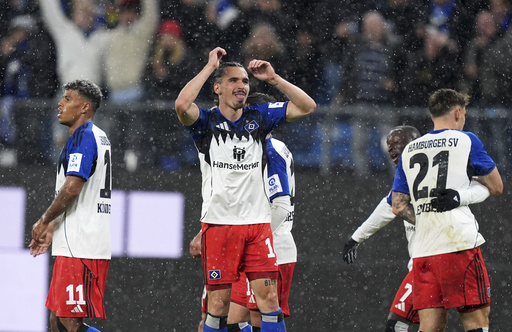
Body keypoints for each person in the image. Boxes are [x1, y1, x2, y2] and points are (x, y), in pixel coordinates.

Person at [175, 46, 316, 332]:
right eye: (233, 81)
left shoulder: (259, 117)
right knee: (217, 306)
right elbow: (181, 106)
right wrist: (208, 67)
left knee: (269, 299)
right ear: (217, 87)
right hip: (219, 224)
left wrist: (274, 80)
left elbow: (307, 106)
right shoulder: (206, 124)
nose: (241, 86)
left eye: (245, 81)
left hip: (257, 226)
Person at [391, 88, 503, 332]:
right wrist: (462, 195)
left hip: (423, 251)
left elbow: (397, 205)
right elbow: (497, 186)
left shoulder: (410, 150)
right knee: (476, 322)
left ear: (432, 116)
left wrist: (425, 216)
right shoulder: (467, 140)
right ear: (458, 112)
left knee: (430, 327)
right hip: (458, 245)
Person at [29, 79, 112, 332]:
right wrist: (54, 225)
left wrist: (44, 219)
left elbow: (73, 188)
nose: (60, 103)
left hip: (82, 242)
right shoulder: (93, 136)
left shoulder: (84, 136)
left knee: (68, 324)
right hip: (75, 240)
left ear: (85, 107)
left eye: (68, 99)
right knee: (58, 320)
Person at [342, 125, 421, 332]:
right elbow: (389, 206)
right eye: (389, 146)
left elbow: (486, 184)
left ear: (414, 144)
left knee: (399, 324)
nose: (391, 150)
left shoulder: (433, 171)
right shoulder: (405, 178)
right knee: (424, 324)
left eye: (397, 144)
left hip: (437, 259)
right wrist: (356, 238)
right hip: (426, 263)